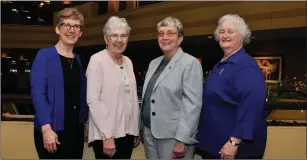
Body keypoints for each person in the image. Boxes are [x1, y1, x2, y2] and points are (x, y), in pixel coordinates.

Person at [196, 14, 267, 159]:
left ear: (241, 37)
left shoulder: (245, 67)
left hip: (233, 149)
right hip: (215, 146)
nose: (225, 35)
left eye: (230, 31)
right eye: (222, 32)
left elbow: (251, 106)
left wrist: (234, 142)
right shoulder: (221, 64)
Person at [140, 16, 203, 159]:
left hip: (173, 137)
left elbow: (192, 105)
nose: (165, 37)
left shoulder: (190, 63)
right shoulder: (153, 63)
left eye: (170, 33)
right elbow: (148, 98)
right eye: (161, 34)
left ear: (180, 38)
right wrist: (142, 129)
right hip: (150, 132)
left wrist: (182, 139)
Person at [30, 7, 88, 159]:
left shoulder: (78, 60)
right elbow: (38, 95)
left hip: (75, 131)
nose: (71, 30)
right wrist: (46, 129)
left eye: (76, 26)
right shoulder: (44, 56)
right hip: (52, 130)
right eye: (66, 25)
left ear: (80, 33)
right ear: (57, 29)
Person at [86, 16, 140, 159]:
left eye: (124, 35)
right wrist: (107, 136)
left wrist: (135, 129)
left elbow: (132, 99)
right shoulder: (97, 60)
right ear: (106, 39)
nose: (119, 40)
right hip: (107, 137)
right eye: (114, 35)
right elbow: (93, 100)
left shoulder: (128, 61)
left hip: (127, 134)